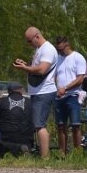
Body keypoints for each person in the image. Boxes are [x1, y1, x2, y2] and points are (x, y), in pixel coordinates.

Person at [13, 27, 58, 159]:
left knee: (40, 125)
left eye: (29, 41)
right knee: (38, 124)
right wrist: (26, 65)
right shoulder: (40, 50)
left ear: (37, 36)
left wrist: (25, 68)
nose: (29, 44)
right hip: (38, 91)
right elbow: (36, 68)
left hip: (44, 92)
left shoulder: (48, 49)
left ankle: (45, 157)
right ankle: (43, 155)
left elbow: (42, 70)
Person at [53, 36, 86, 155]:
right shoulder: (58, 59)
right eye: (58, 49)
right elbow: (55, 75)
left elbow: (80, 78)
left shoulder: (78, 58)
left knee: (75, 125)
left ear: (67, 45)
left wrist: (66, 88)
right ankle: (62, 152)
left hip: (73, 95)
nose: (60, 51)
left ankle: (78, 153)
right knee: (61, 125)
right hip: (59, 96)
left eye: (62, 49)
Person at [0, 82, 34, 157]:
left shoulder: (0, 102)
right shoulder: (30, 102)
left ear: (8, 91)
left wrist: (0, 118)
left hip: (6, 137)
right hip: (26, 137)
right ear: (21, 90)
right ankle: (23, 147)